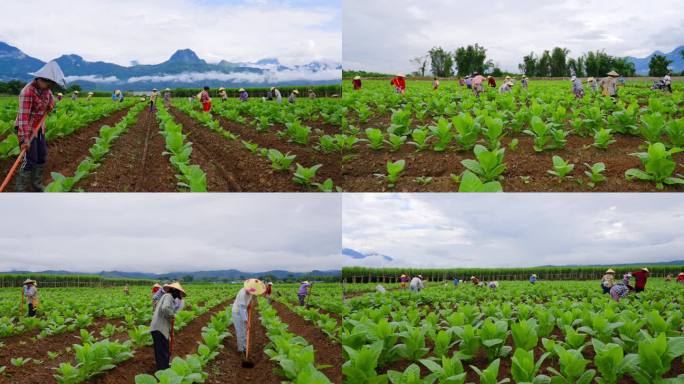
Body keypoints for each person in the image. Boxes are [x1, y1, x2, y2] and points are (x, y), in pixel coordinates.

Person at [14, 61, 65, 192]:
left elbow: (51, 100)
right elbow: (23, 118)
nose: (50, 88)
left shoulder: (46, 90)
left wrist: (51, 105)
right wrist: (24, 139)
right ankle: (19, 190)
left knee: (41, 156)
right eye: (49, 84)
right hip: (25, 128)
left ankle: (36, 186)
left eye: (52, 85)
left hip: (39, 128)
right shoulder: (27, 92)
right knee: (30, 159)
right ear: (41, 79)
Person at [150, 282, 186, 370]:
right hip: (160, 328)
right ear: (175, 291)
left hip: (159, 327)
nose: (181, 295)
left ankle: (163, 368)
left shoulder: (168, 297)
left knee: (162, 350)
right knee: (162, 351)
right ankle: (163, 370)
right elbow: (165, 308)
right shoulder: (168, 296)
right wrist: (172, 315)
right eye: (180, 292)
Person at [232, 279, 266, 360]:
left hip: (243, 311)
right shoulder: (242, 293)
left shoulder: (250, 292)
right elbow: (242, 309)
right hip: (237, 313)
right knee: (240, 331)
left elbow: (247, 303)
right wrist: (247, 321)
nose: (252, 293)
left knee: (245, 330)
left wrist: (249, 305)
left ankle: (244, 347)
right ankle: (241, 351)